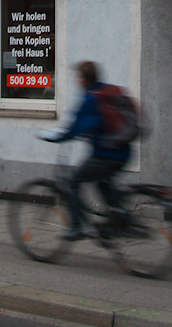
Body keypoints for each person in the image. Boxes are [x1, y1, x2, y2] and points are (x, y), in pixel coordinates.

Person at [40, 60, 130, 240]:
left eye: (77, 77)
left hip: (106, 155)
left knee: (72, 183)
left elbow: (75, 127)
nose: (76, 80)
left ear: (84, 79)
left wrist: (55, 137)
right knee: (101, 182)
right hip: (123, 152)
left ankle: (78, 227)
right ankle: (118, 218)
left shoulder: (91, 99)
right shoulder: (105, 91)